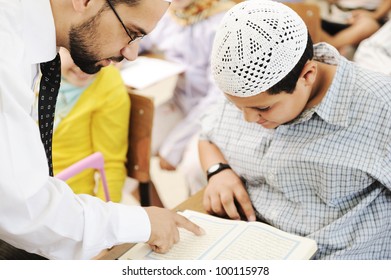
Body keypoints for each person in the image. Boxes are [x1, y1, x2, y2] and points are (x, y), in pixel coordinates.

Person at [0, 0, 203, 260]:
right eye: (132, 33)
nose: (131, 54)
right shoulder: (7, 49)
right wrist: (139, 224)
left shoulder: (25, 38)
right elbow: (22, 205)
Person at [199, 0, 391, 259]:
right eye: (237, 107)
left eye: (263, 109)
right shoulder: (248, 87)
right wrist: (218, 171)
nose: (246, 119)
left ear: (308, 75)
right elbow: (207, 136)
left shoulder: (379, 106)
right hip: (250, 245)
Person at [136, 0, 235, 194]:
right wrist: (125, 51)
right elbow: (141, 36)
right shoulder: (169, 15)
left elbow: (218, 97)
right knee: (130, 143)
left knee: (195, 169)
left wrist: (175, 144)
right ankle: (155, 213)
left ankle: (198, 217)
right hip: (180, 104)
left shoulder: (223, 22)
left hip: (214, 116)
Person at [34, 47, 130, 202]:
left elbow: (112, 164)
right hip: (23, 188)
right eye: (77, 55)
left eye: (100, 54)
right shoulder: (33, 72)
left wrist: (104, 217)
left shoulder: (108, 84)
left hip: (68, 198)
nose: (86, 67)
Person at [319, 0, 391, 56]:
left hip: (367, 17)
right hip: (336, 16)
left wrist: (375, 15)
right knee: (310, 18)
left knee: (369, 25)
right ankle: (334, 47)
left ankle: (326, 48)